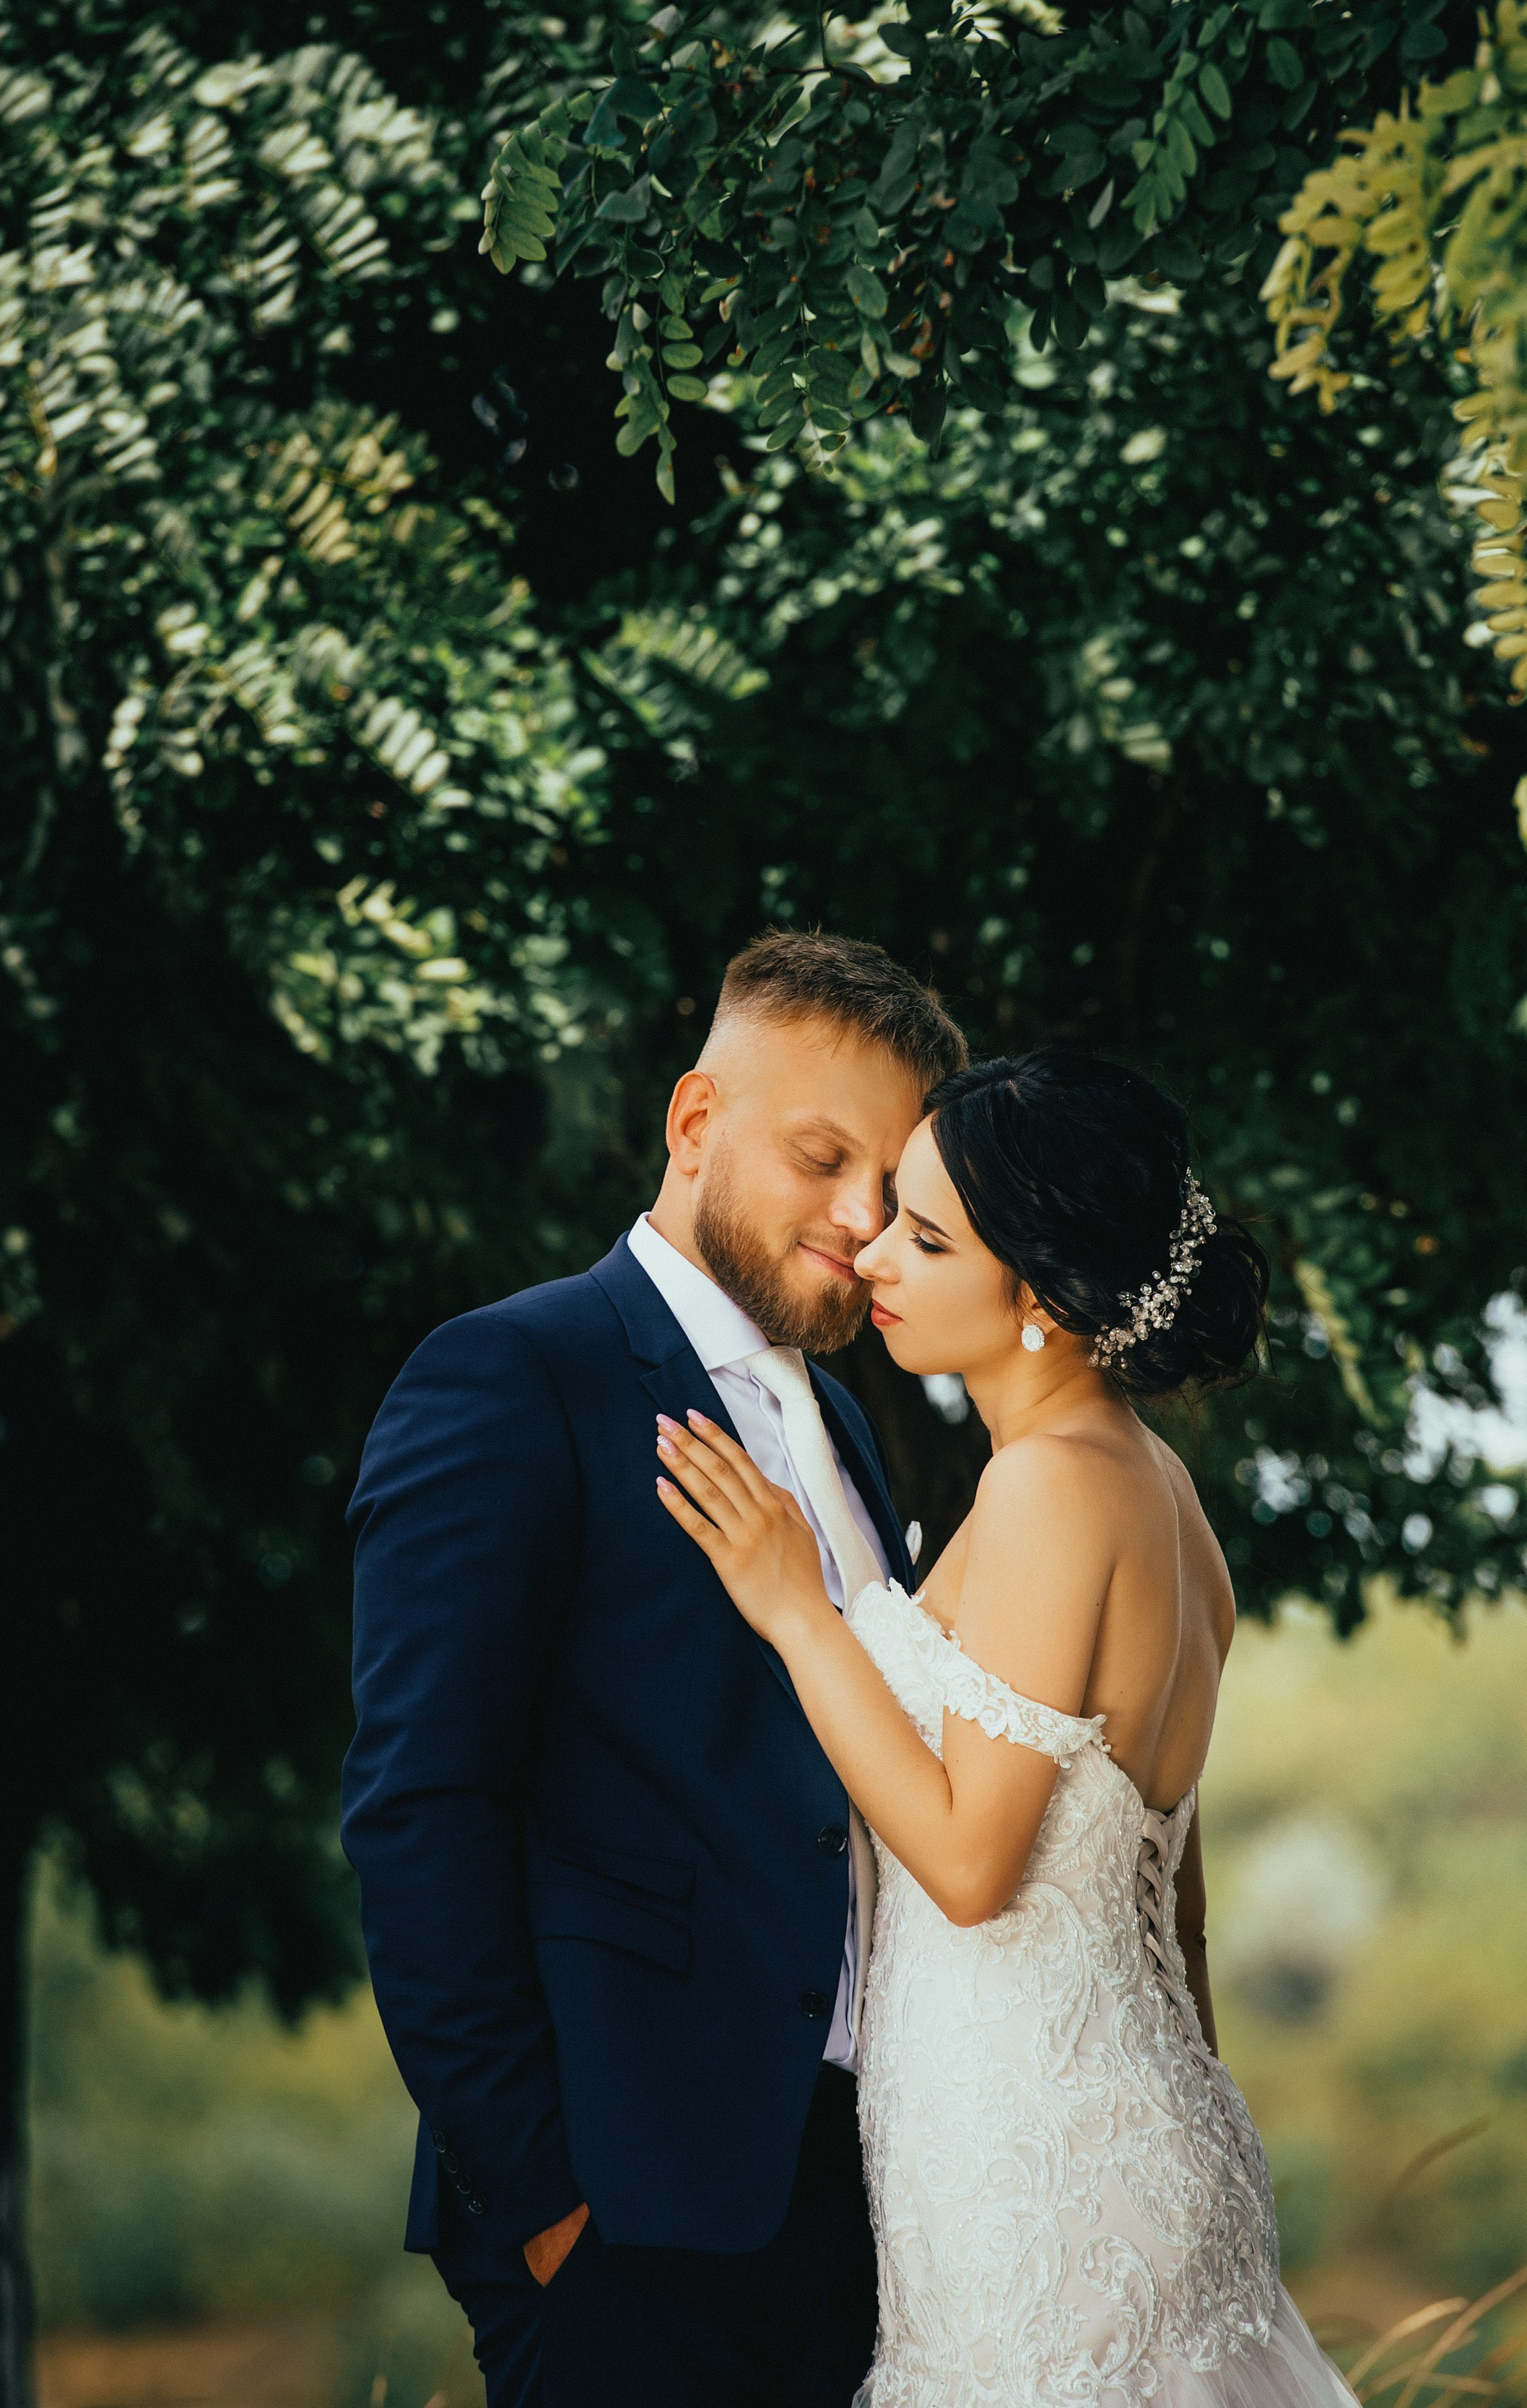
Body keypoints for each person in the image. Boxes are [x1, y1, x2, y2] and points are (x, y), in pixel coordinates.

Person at [659, 1049, 1361, 2408]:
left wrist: (798, 1613)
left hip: (1039, 2175)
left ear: (1035, 1291)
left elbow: (975, 1870)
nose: (874, 1256)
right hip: (1101, 2125)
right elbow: (1178, 1896)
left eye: (926, 1238)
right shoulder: (1152, 1489)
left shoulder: (1052, 1488)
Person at [341, 931, 967, 2407]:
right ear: (695, 1123)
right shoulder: (510, 1377)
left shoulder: (855, 1434)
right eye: (823, 1158)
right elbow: (419, 1808)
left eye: (890, 1184)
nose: (862, 1217)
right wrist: (547, 2208)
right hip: (626, 2210)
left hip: (855, 2201)